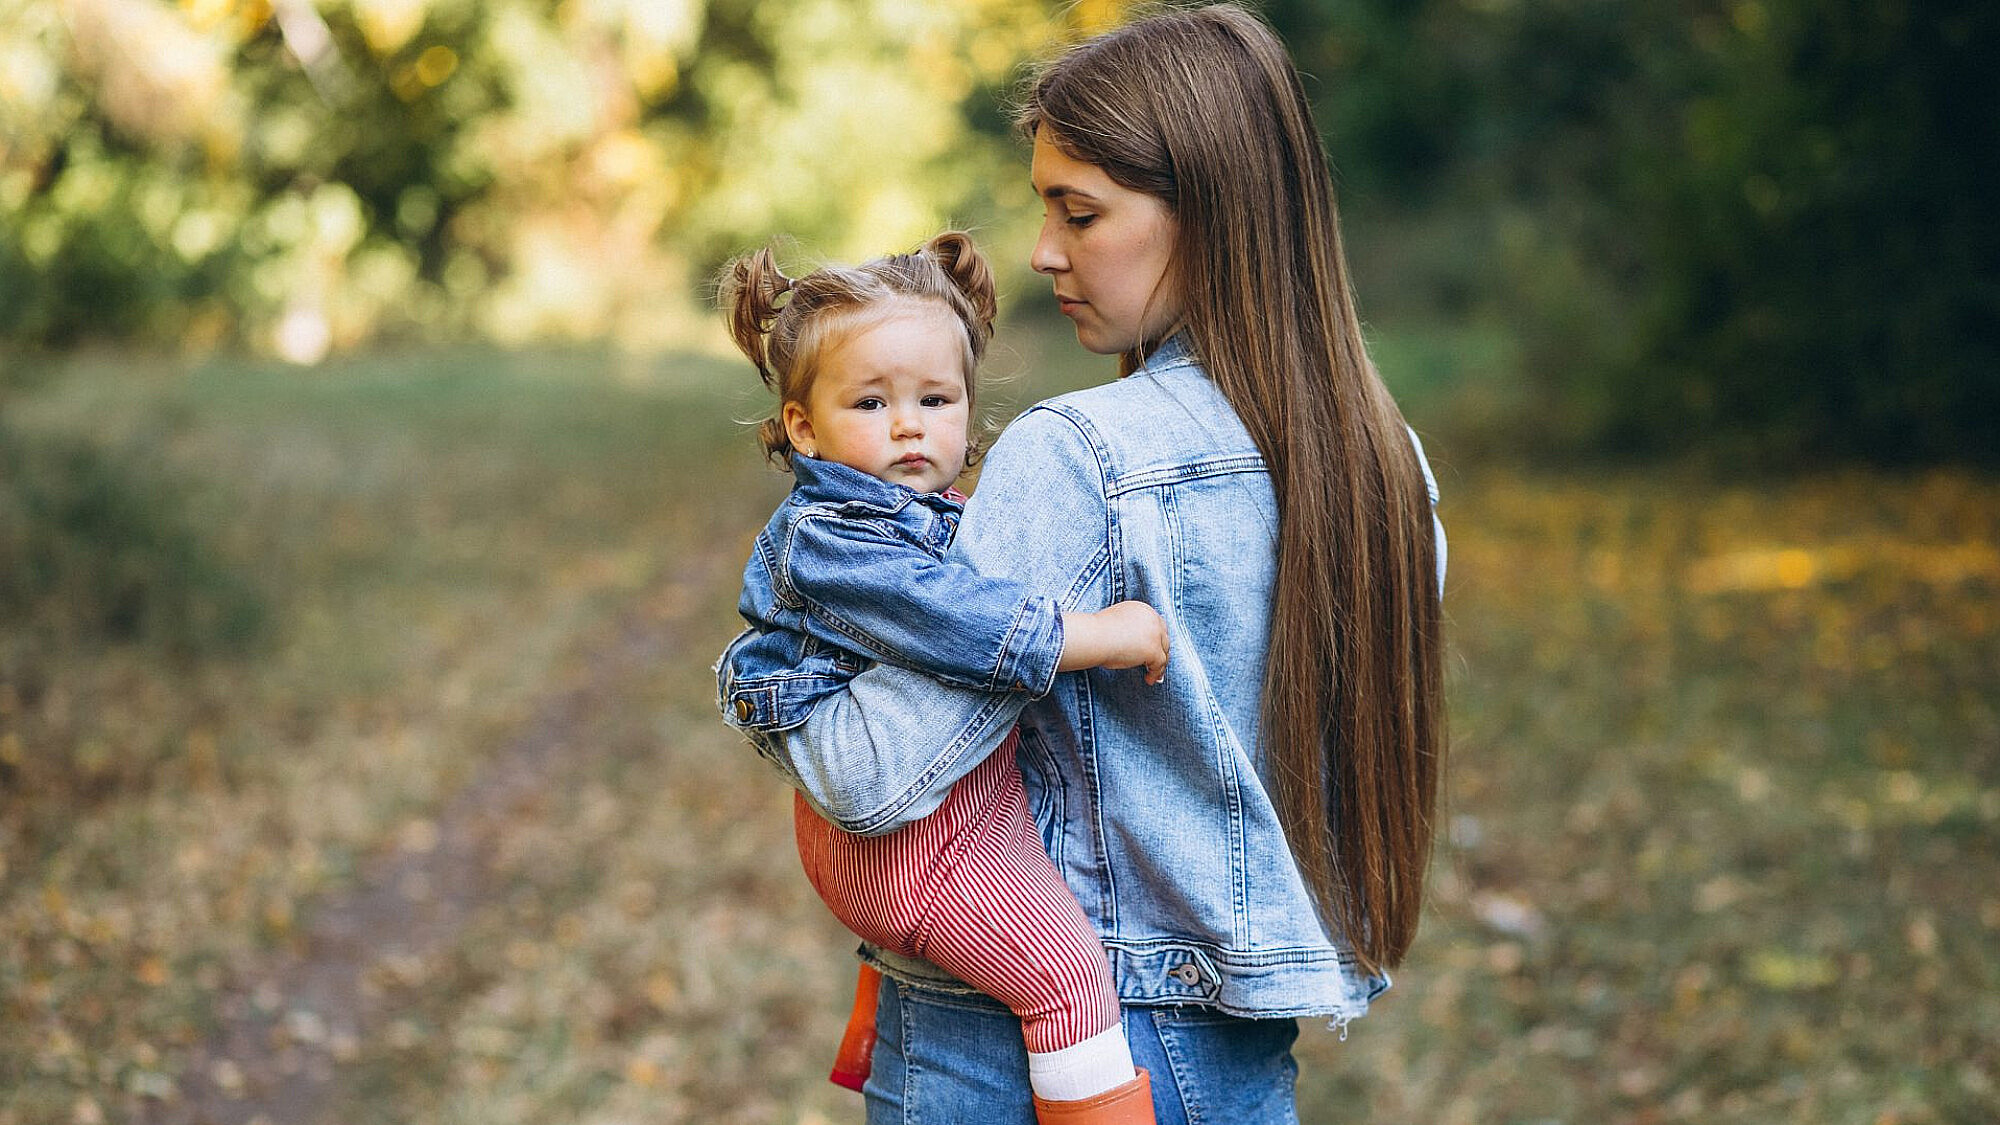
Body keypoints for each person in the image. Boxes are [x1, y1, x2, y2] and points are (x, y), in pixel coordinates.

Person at [763, 7, 1450, 1123]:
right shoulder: (1384, 464)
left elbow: (867, 778)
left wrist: (776, 674)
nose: (1043, 252)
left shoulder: (1078, 453)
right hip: (1237, 1066)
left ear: (1212, 213)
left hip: (1022, 1058)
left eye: (1078, 212)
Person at [714, 230, 1175, 1123]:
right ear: (804, 427)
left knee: (1019, 934)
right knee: (1067, 978)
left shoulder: (936, 513)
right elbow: (957, 622)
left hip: (958, 810)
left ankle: (884, 1045)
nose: (910, 423)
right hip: (910, 841)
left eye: (936, 396)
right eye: (871, 402)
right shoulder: (831, 537)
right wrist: (1101, 633)